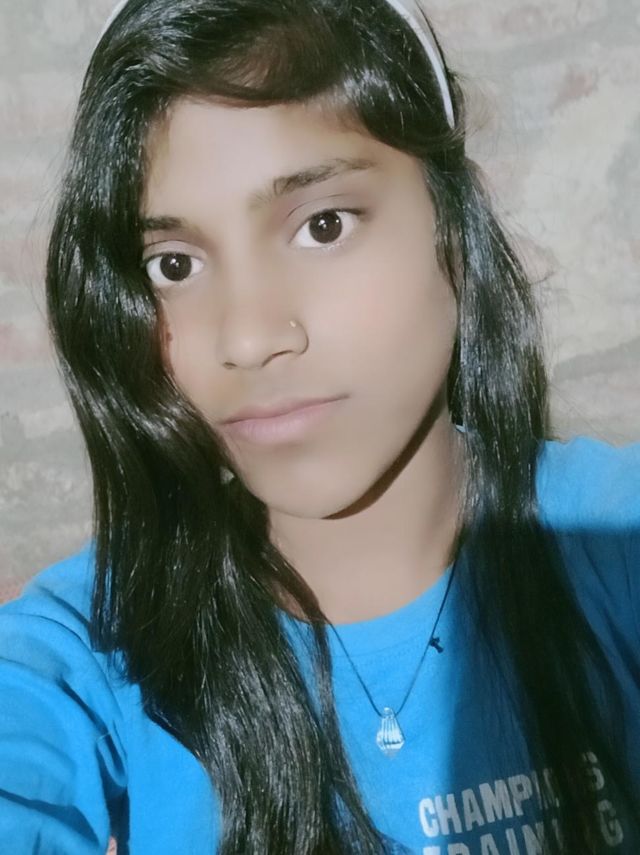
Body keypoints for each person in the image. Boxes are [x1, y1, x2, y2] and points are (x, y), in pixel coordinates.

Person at [0, 0, 638, 852]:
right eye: (174, 264)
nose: (248, 337)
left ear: (453, 225)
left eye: (322, 225)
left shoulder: (611, 538)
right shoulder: (88, 649)